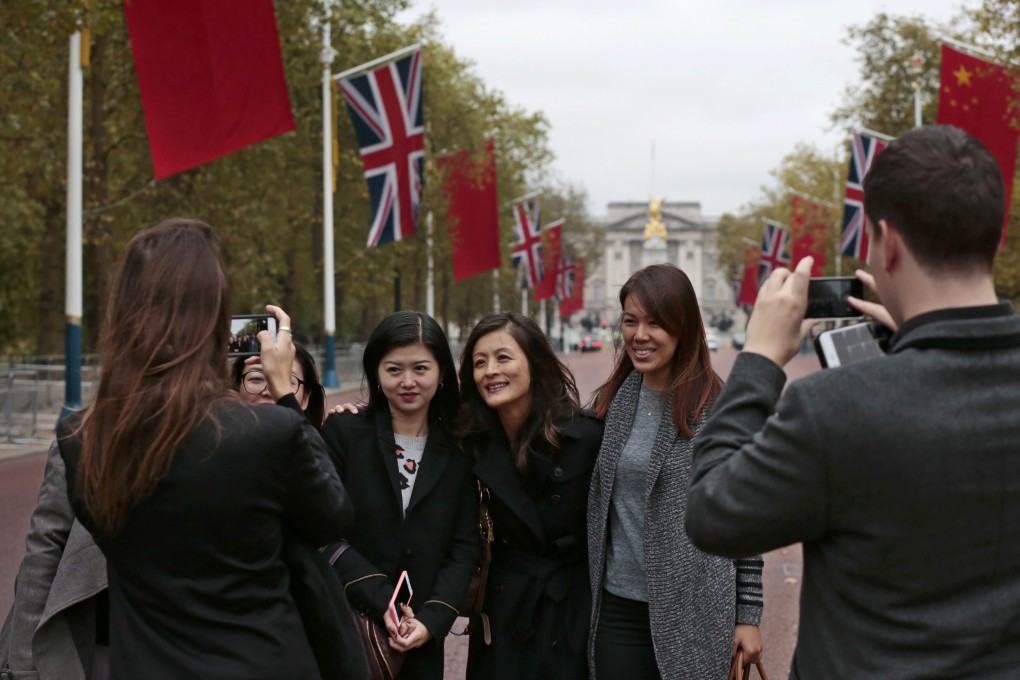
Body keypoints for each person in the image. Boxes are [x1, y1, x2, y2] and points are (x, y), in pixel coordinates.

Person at [686, 125, 1020, 678]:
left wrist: (761, 359)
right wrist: (918, 337)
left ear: (887, 243)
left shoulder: (834, 409)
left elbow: (712, 513)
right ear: (999, 235)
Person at [55, 218, 352, 680]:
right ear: (215, 320)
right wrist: (286, 394)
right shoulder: (267, 433)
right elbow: (332, 516)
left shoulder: (82, 438)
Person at [587, 263, 764, 680]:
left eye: (655, 323)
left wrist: (749, 614)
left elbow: (745, 521)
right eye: (631, 321)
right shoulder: (613, 402)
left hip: (697, 613)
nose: (640, 335)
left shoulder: (717, 410)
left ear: (683, 327)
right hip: (618, 609)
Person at [321, 311, 477, 680]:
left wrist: (432, 619)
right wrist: (382, 598)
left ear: (441, 373)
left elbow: (463, 547)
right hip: (350, 624)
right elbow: (324, 532)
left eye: (420, 368)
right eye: (394, 370)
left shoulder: (461, 449)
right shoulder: (344, 433)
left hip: (420, 636)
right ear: (376, 372)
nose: (408, 382)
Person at [459, 312, 603, 680]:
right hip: (505, 612)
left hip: (575, 611)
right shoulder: (468, 444)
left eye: (503, 358)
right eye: (479, 362)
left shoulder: (587, 437)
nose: (490, 370)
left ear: (535, 364)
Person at [232, 342, 326, 427]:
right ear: (237, 389)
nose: (268, 391)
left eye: (284, 381)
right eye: (257, 379)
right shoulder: (220, 442)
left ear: (305, 399)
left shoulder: (319, 444)